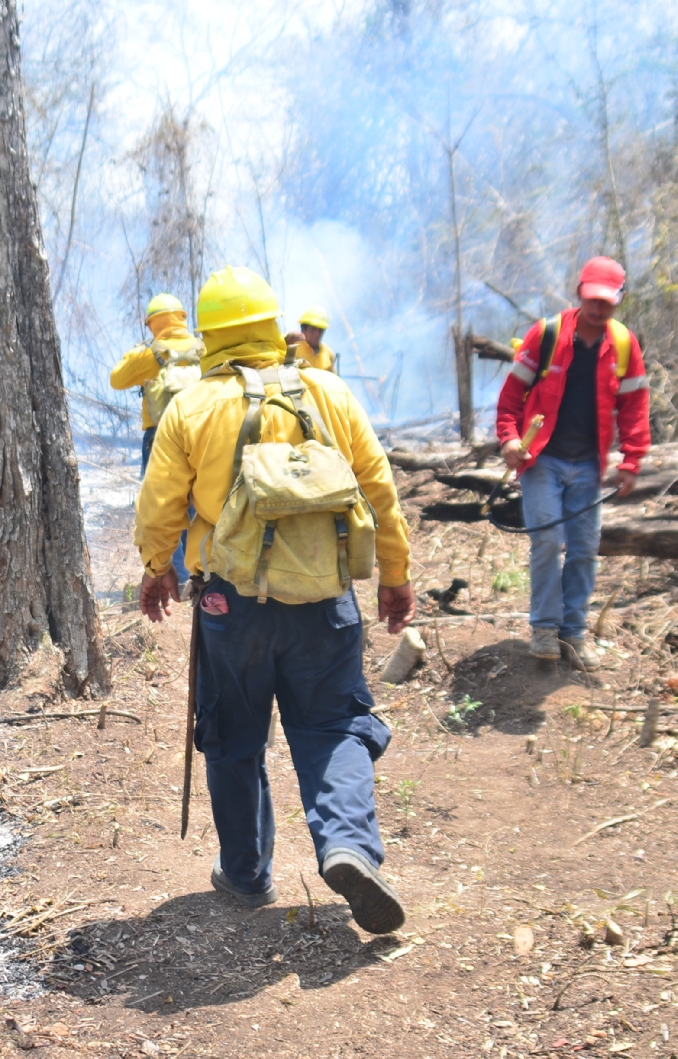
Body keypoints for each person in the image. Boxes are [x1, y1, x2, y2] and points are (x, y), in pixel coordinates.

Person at [135, 266, 416, 935]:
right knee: (332, 725)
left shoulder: (193, 406)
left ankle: (246, 870)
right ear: (270, 324)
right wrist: (396, 576)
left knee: (233, 732)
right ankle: (347, 844)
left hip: (231, 607)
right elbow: (378, 487)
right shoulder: (328, 391)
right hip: (325, 599)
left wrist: (157, 569)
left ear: (209, 336)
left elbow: (158, 508)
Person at [495, 256, 650, 670]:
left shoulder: (623, 345)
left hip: (588, 466)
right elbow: (511, 398)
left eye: (607, 303)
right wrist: (510, 438)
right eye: (592, 300)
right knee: (547, 540)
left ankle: (573, 631)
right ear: (580, 293)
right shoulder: (546, 336)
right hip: (543, 460)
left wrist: (633, 459)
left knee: (584, 548)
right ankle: (545, 629)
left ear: (618, 301)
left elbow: (634, 406)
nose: (598, 310)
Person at [109, 293, 204, 474]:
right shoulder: (204, 350)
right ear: (182, 318)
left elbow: (116, 380)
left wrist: (132, 355)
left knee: (158, 500)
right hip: (201, 436)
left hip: (159, 439)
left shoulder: (146, 355)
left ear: (152, 323)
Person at [287, 306, 337, 372]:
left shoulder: (328, 352)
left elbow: (333, 379)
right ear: (303, 329)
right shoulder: (293, 349)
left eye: (320, 330)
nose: (317, 334)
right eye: (313, 329)